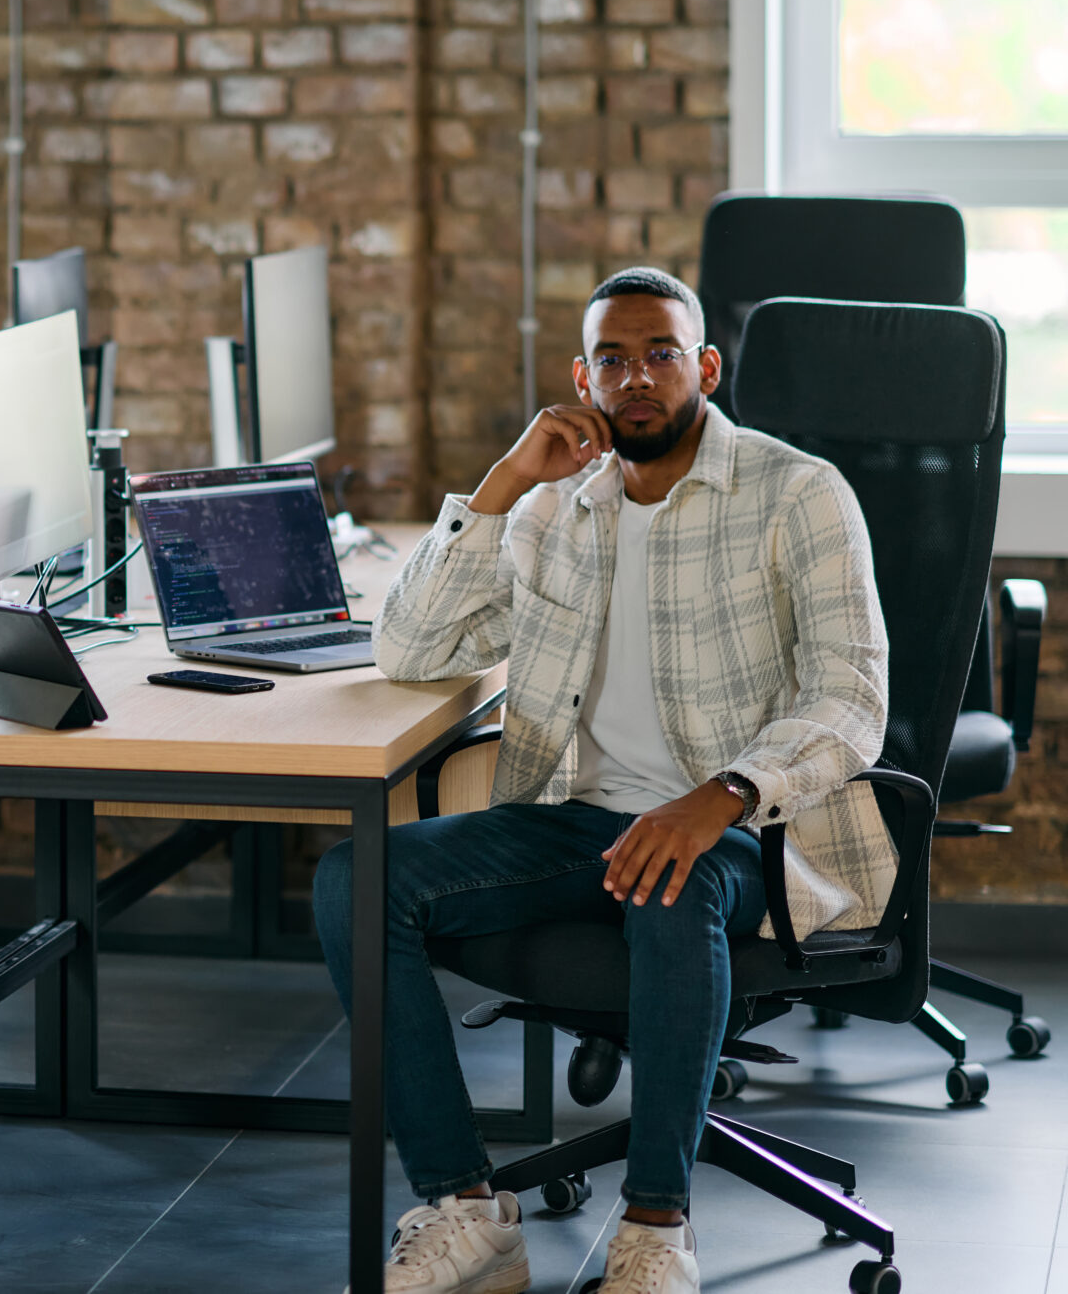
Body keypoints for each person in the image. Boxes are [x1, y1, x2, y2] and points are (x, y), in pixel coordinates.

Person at [314, 267, 893, 1294]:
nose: (637, 379)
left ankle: (654, 1227)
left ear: (704, 367)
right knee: (352, 882)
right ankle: (465, 1208)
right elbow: (406, 649)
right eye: (612, 360)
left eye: (659, 354)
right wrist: (498, 485)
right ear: (580, 380)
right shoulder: (550, 516)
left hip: (745, 830)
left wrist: (716, 794)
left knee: (671, 885)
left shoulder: (795, 493)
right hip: (570, 823)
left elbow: (849, 699)